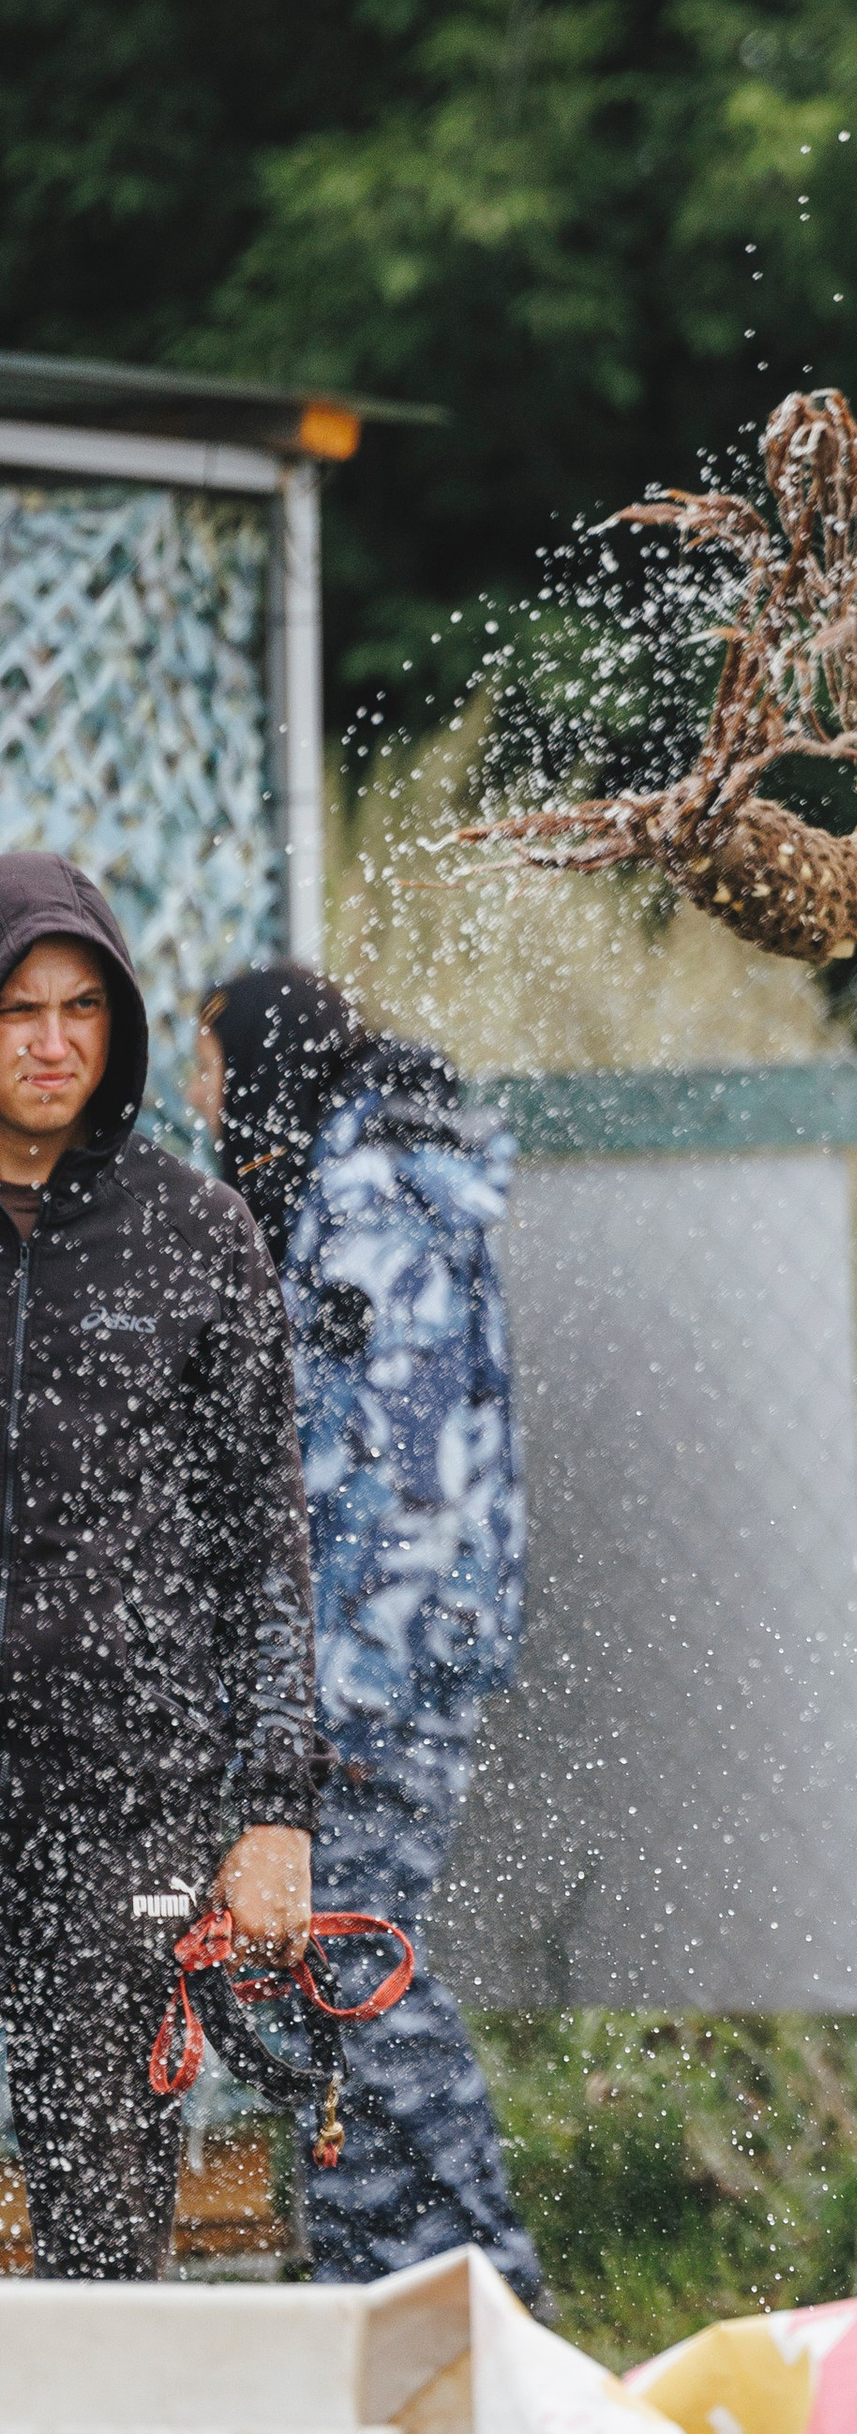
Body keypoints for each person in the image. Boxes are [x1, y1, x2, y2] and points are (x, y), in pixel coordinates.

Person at [192, 965, 548, 2306]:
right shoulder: (387, 1185)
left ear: (265, 1063)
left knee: (357, 1962)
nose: (197, 1096)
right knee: (326, 1971)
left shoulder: (362, 1209)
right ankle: (385, 2291)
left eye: (209, 1065)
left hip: (376, 1672)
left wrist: (328, 1701)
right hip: (399, 1657)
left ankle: (488, 2283)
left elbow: (385, 1482)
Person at [0, 855, 318, 2278]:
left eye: (81, 1008)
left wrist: (275, 1811)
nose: (51, 1042)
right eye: (16, 1012)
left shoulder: (197, 1238)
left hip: (124, 1797)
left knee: (98, 2188)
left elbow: (268, 1541)